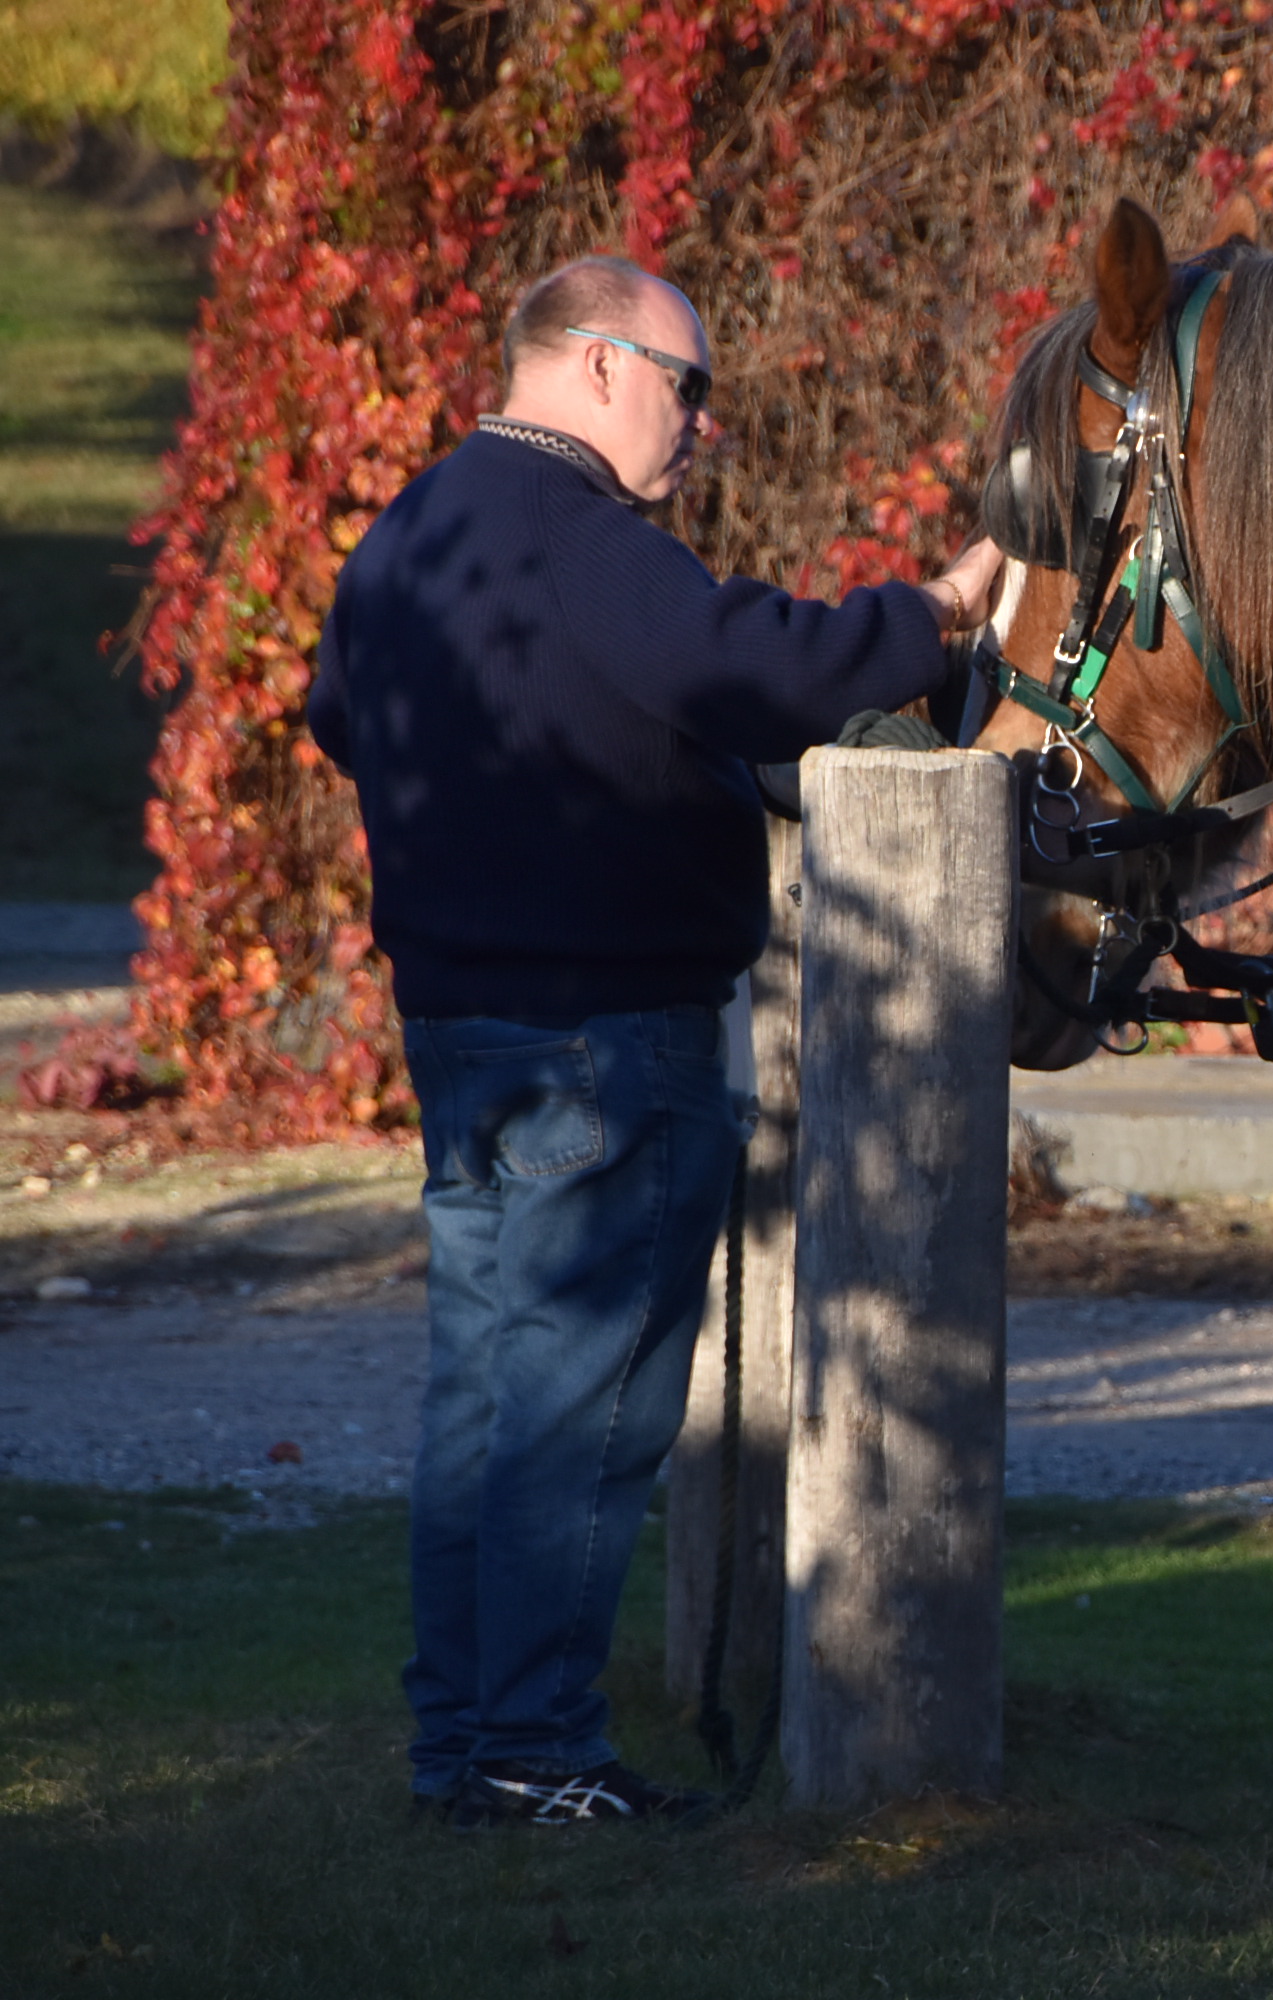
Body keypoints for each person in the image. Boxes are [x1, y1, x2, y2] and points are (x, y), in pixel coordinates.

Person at [308, 253, 1002, 1828]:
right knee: (588, 1412)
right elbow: (745, 660)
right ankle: (537, 1755)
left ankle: (464, 1748)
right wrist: (932, 618)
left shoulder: (409, 536)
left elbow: (348, 718)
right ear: (598, 365)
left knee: (485, 1406)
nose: (703, 429)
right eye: (692, 390)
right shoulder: (577, 535)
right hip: (607, 1049)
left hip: (465, 1040)